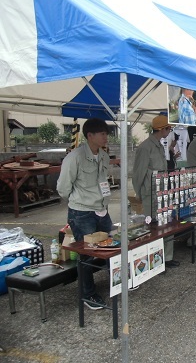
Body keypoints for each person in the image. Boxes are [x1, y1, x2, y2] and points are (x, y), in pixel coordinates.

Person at [57, 118, 113, 310]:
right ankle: (88, 294)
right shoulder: (74, 158)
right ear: (90, 135)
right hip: (81, 212)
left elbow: (103, 181)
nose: (106, 137)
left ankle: (117, 281)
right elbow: (63, 188)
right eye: (103, 134)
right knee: (87, 254)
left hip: (102, 210)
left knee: (109, 247)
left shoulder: (104, 156)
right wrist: (78, 203)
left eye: (107, 133)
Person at [132, 116, 180, 268]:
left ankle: (167, 258)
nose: (169, 131)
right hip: (150, 193)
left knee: (167, 224)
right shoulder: (145, 147)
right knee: (152, 228)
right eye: (168, 128)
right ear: (162, 129)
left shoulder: (159, 145)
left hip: (162, 191)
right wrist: (139, 193)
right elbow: (138, 173)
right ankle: (154, 262)